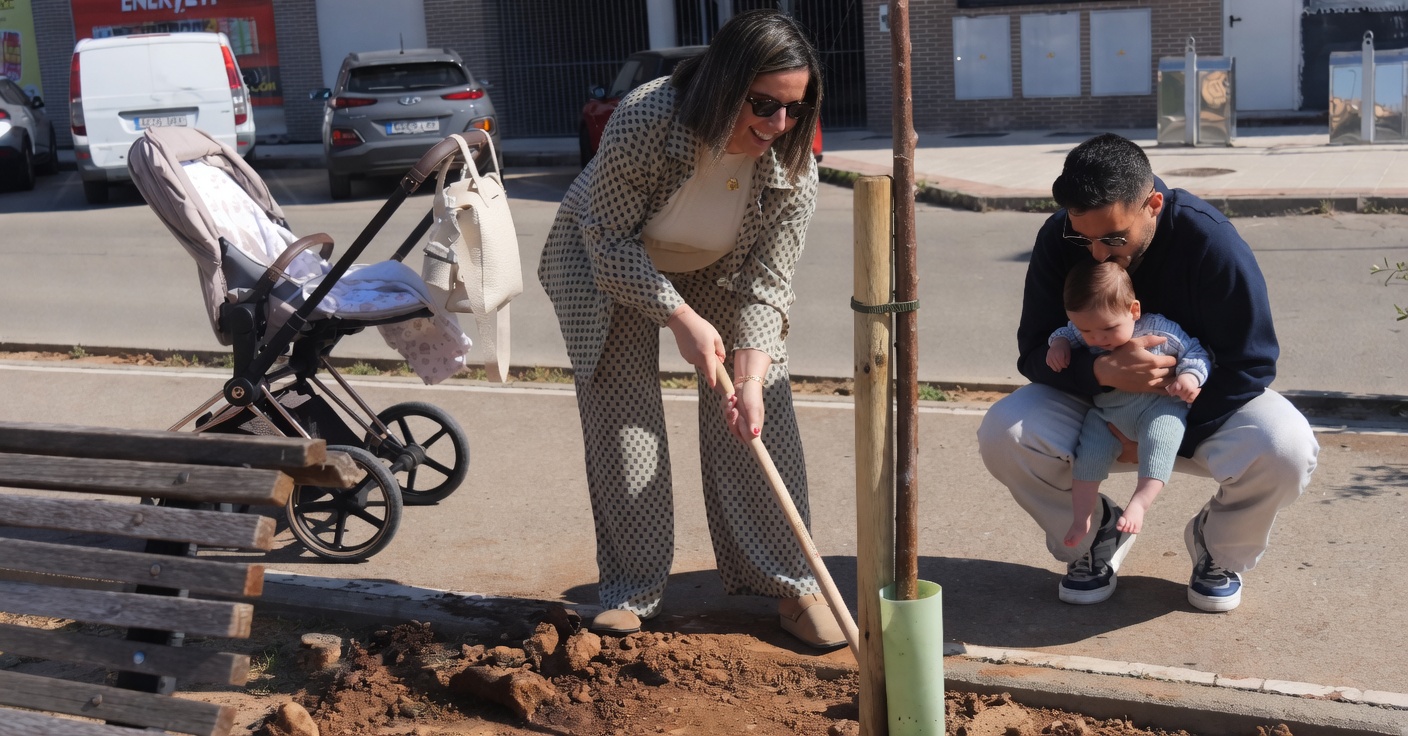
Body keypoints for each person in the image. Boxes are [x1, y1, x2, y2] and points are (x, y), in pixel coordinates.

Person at [537, 10, 842, 648]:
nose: (779, 124)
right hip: (609, 258)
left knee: (759, 415)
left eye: (795, 108)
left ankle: (790, 586)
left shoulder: (791, 158)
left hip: (721, 266)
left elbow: (768, 280)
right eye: (764, 104)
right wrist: (679, 318)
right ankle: (630, 591)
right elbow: (608, 240)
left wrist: (750, 377)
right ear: (724, 85)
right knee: (627, 423)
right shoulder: (648, 117)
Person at [977, 133, 1320, 613]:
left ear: (1153, 204)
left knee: (1287, 448)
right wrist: (1101, 371)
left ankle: (1219, 550)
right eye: (1083, 238)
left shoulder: (1210, 241)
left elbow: (1251, 362)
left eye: (1113, 238)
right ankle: (1095, 536)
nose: (1097, 253)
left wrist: (1169, 433)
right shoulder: (1058, 237)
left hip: (1195, 406)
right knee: (1004, 434)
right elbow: (1033, 350)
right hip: (1098, 411)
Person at [1047, 260, 1210, 560]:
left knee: (1161, 438)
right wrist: (1059, 344)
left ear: (1134, 311)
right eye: (1086, 330)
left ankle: (1139, 503)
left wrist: (1190, 377)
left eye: (1109, 328)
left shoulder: (1160, 330)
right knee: (1088, 457)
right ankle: (1083, 517)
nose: (1097, 339)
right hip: (1108, 413)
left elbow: (1195, 352)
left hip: (1158, 408)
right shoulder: (1089, 328)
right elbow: (1066, 332)